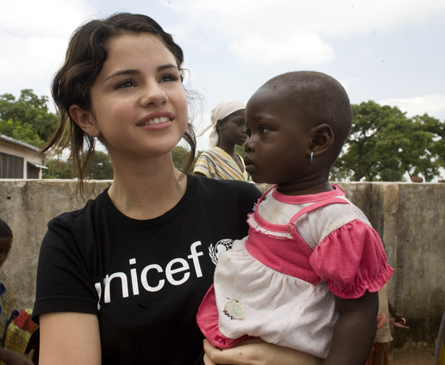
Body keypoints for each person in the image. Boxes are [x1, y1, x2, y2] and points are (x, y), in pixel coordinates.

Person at [32, 13, 322, 365]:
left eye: (167, 77)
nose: (156, 94)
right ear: (86, 118)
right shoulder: (73, 242)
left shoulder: (245, 206)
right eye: (126, 83)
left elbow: (314, 318)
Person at [197, 71, 394, 365]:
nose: (249, 143)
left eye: (263, 130)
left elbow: (357, 313)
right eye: (249, 132)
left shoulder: (335, 222)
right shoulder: (274, 196)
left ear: (317, 141)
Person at [0, 219, 34, 365]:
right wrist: (7, 356)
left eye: (6, 251)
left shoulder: (2, 281)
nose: (2, 258)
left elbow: (8, 318)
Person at [194, 99, 249, 181]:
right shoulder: (209, 158)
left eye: (247, 125)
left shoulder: (241, 160)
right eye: (239, 123)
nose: (245, 130)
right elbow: (198, 190)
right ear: (220, 124)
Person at [367, 282, 407, 365]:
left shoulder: (381, 272)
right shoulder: (360, 273)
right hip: (366, 321)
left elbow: (383, 295)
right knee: (367, 352)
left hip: (381, 319)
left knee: (380, 349)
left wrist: (394, 313)